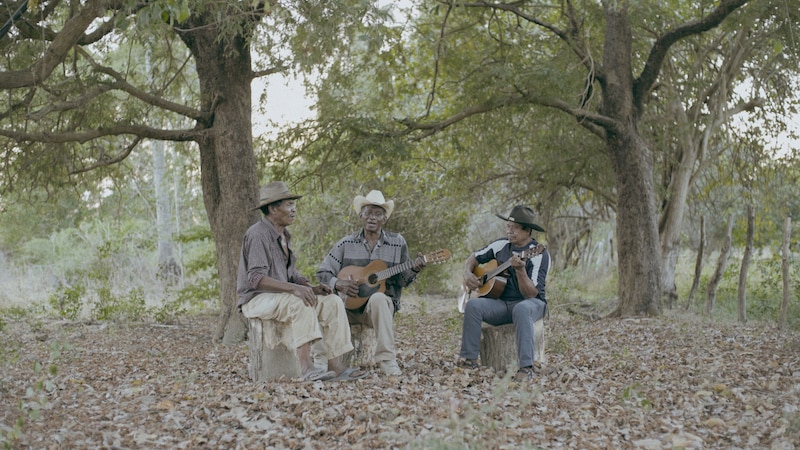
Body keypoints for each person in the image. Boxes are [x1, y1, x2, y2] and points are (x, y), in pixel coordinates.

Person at [236, 181, 366, 382]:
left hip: (280, 296)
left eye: (293, 204)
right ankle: (306, 368)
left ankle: (336, 366)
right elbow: (256, 279)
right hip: (256, 299)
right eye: (289, 204)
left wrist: (312, 288)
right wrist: (296, 290)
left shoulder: (283, 235)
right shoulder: (258, 234)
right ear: (272, 208)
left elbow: (290, 274)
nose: (294, 209)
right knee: (300, 301)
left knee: (332, 302)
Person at [317, 190, 426, 376]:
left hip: (377, 311)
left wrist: (414, 269)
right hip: (347, 309)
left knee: (378, 298)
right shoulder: (345, 244)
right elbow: (323, 272)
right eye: (367, 213)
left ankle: (387, 360)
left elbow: (402, 280)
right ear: (361, 216)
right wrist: (338, 283)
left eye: (377, 214)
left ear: (384, 219)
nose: (372, 218)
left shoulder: (397, 243)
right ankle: (320, 362)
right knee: (322, 303)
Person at [458, 205, 550, 381]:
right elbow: (474, 257)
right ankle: (469, 360)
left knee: (522, 309)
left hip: (532, 304)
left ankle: (526, 367)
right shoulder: (501, 245)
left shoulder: (538, 254)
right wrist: (468, 273)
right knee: (473, 305)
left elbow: (531, 294)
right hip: (502, 304)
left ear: (527, 230)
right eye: (508, 226)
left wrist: (521, 271)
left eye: (514, 228)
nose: (509, 231)